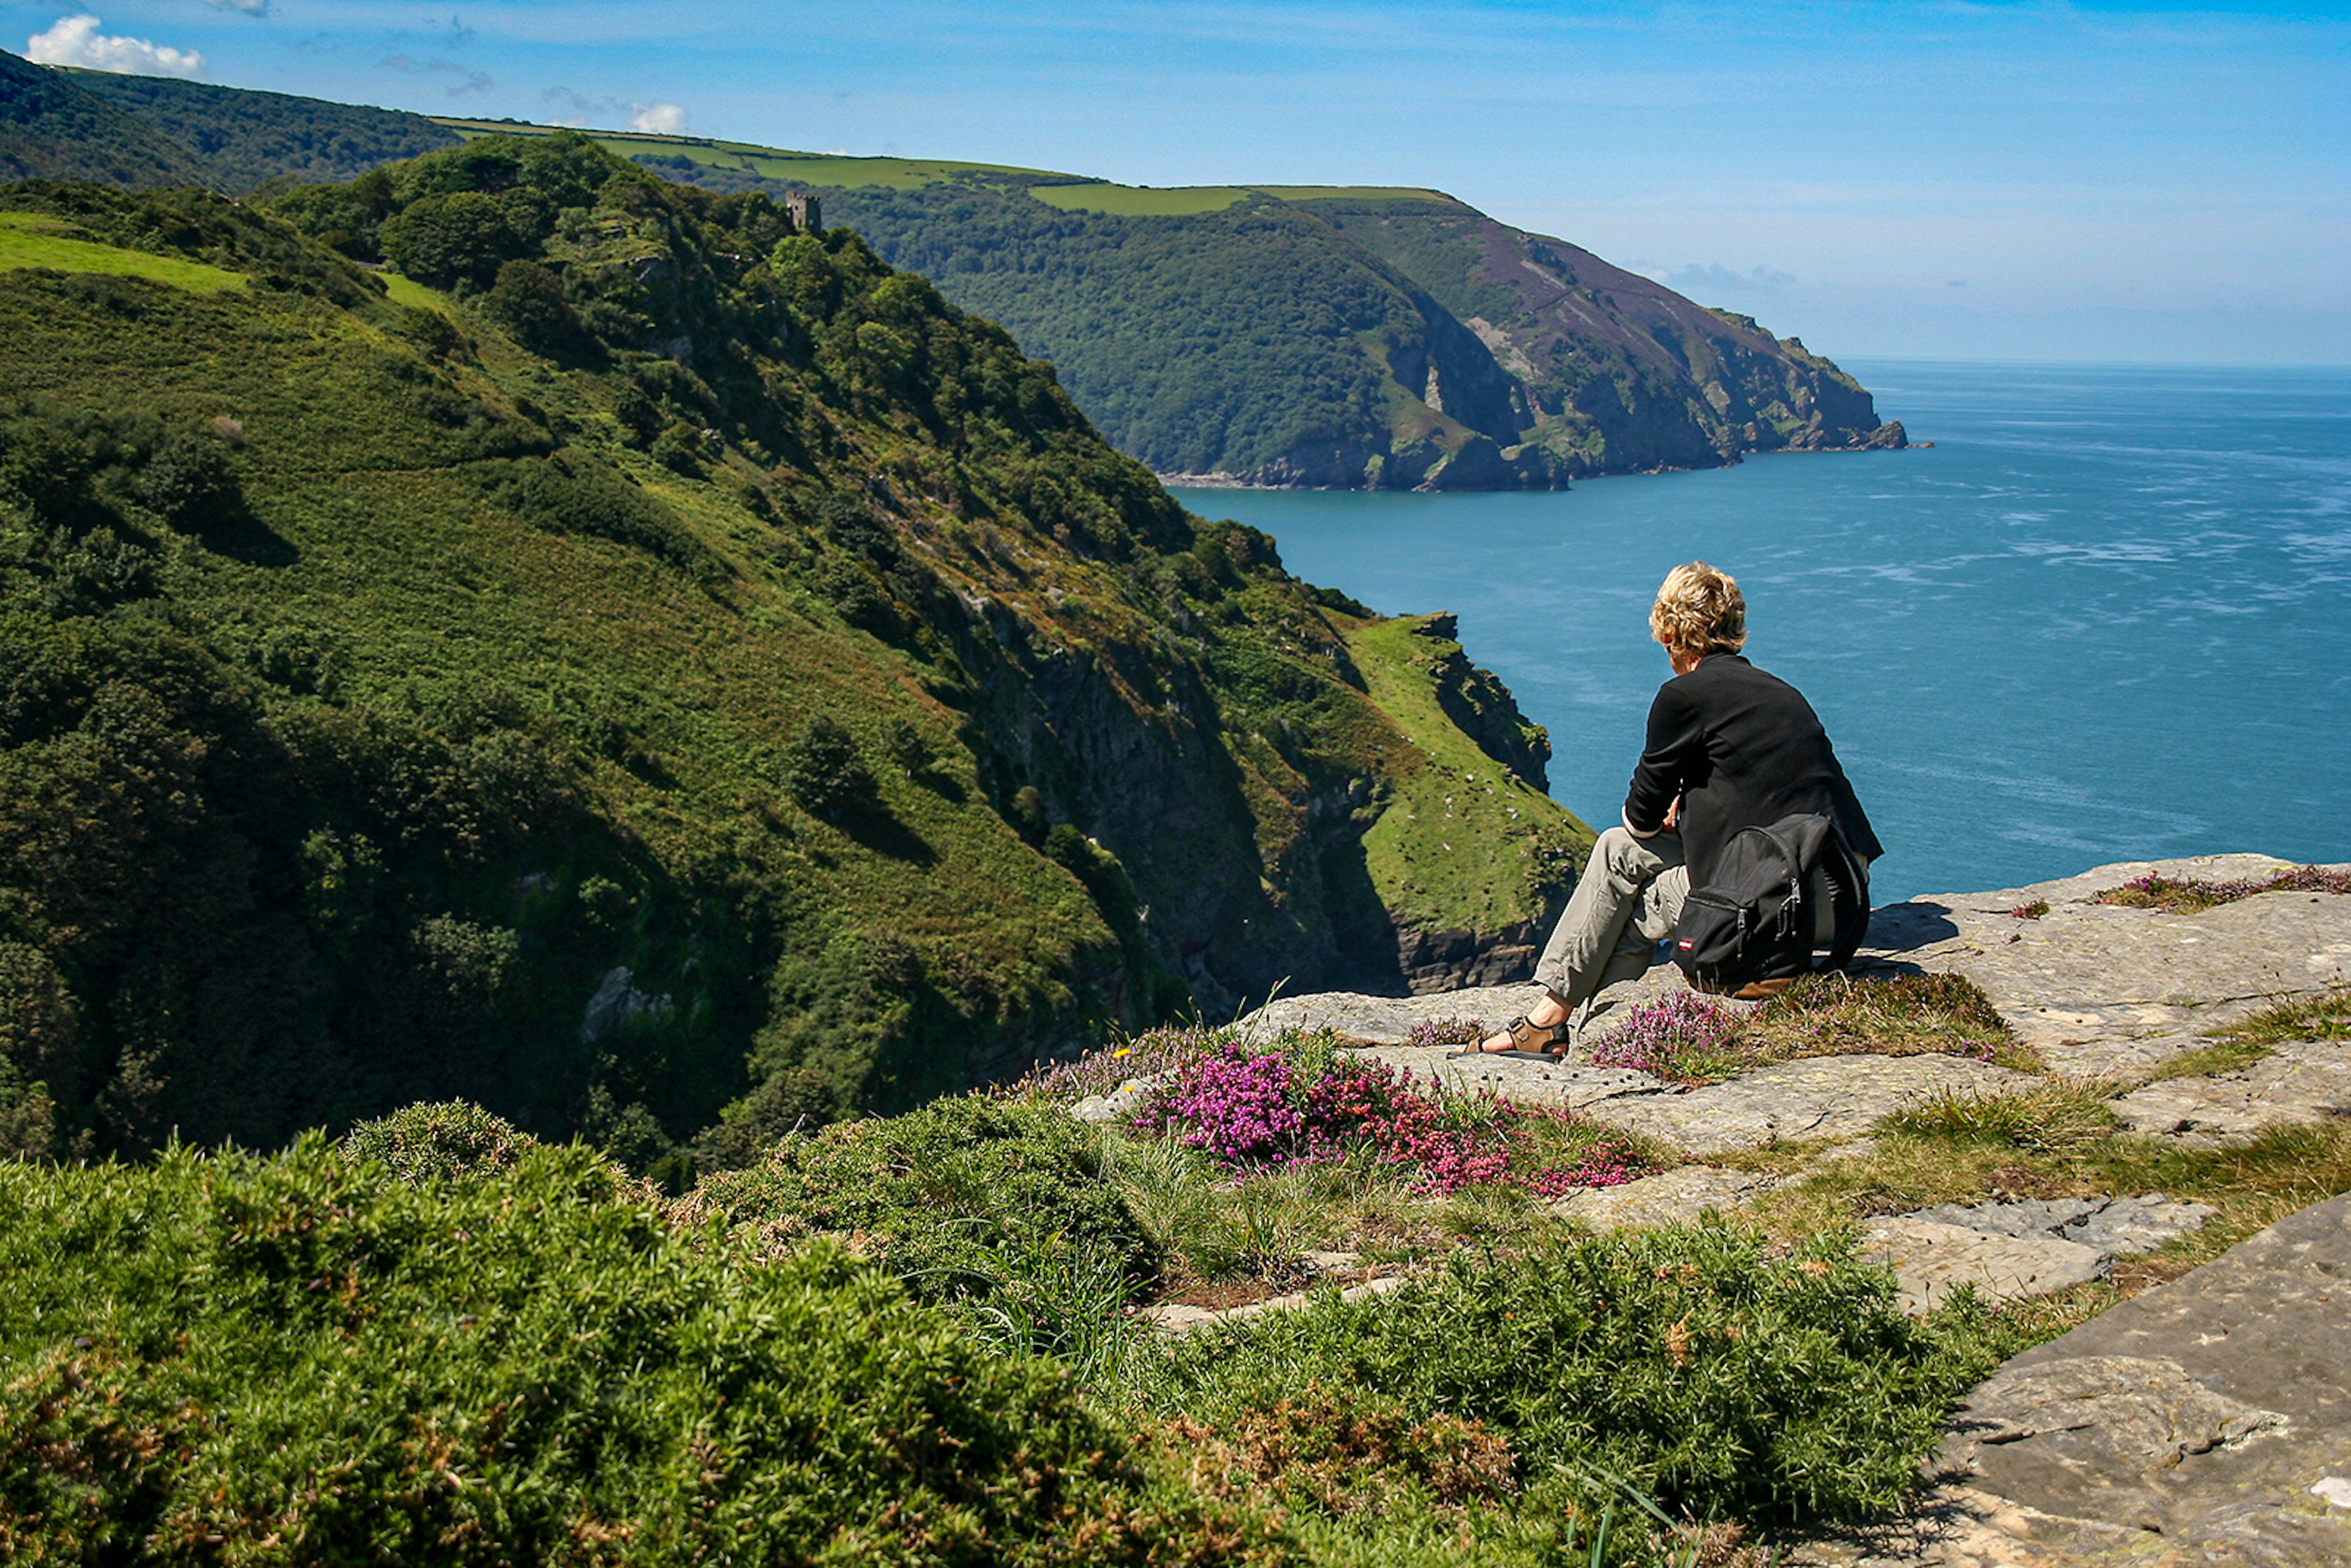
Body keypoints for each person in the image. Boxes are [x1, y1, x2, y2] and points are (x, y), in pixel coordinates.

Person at [1465, 561, 1882, 1056]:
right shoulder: (1782, 693)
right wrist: (1689, 805)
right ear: (1734, 625)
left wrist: (1672, 807)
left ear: (1669, 633)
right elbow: (1773, 799)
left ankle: (1561, 1026)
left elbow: (1640, 818)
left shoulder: (1683, 696)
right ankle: (1568, 1025)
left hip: (1775, 909)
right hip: (1839, 895)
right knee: (1617, 852)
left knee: (1624, 875)